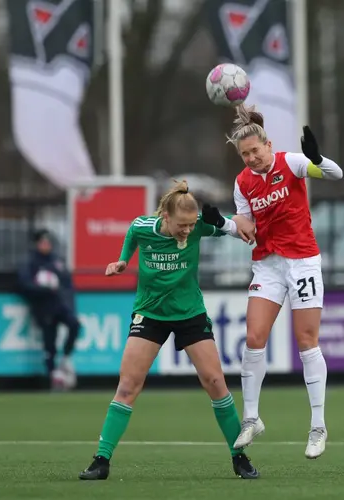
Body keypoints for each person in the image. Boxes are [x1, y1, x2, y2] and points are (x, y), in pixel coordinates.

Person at [79, 180, 260, 480]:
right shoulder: (142, 226)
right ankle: (101, 461)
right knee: (128, 386)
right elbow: (132, 236)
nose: (187, 231)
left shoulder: (200, 226)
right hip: (150, 313)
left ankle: (238, 456)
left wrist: (230, 222)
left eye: (191, 225)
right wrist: (124, 260)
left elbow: (233, 229)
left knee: (215, 381)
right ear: (165, 216)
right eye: (181, 225)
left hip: (190, 313)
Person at [209, 104, 343, 459]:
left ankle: (318, 426)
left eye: (255, 150)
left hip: (302, 262)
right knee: (254, 338)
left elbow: (336, 174)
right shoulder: (242, 183)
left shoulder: (292, 162)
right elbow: (246, 230)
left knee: (306, 341)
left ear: (268, 144)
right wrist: (222, 223)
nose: (251, 158)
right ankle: (251, 418)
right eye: (244, 154)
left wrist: (318, 158)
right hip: (267, 265)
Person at [17, 229, 81, 390]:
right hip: (44, 308)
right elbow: (24, 285)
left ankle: (66, 358)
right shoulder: (31, 263)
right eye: (42, 242)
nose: (46, 245)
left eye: (48, 242)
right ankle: (53, 376)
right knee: (49, 343)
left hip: (60, 306)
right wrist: (44, 289)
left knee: (74, 324)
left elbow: (67, 286)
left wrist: (68, 304)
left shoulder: (56, 261)